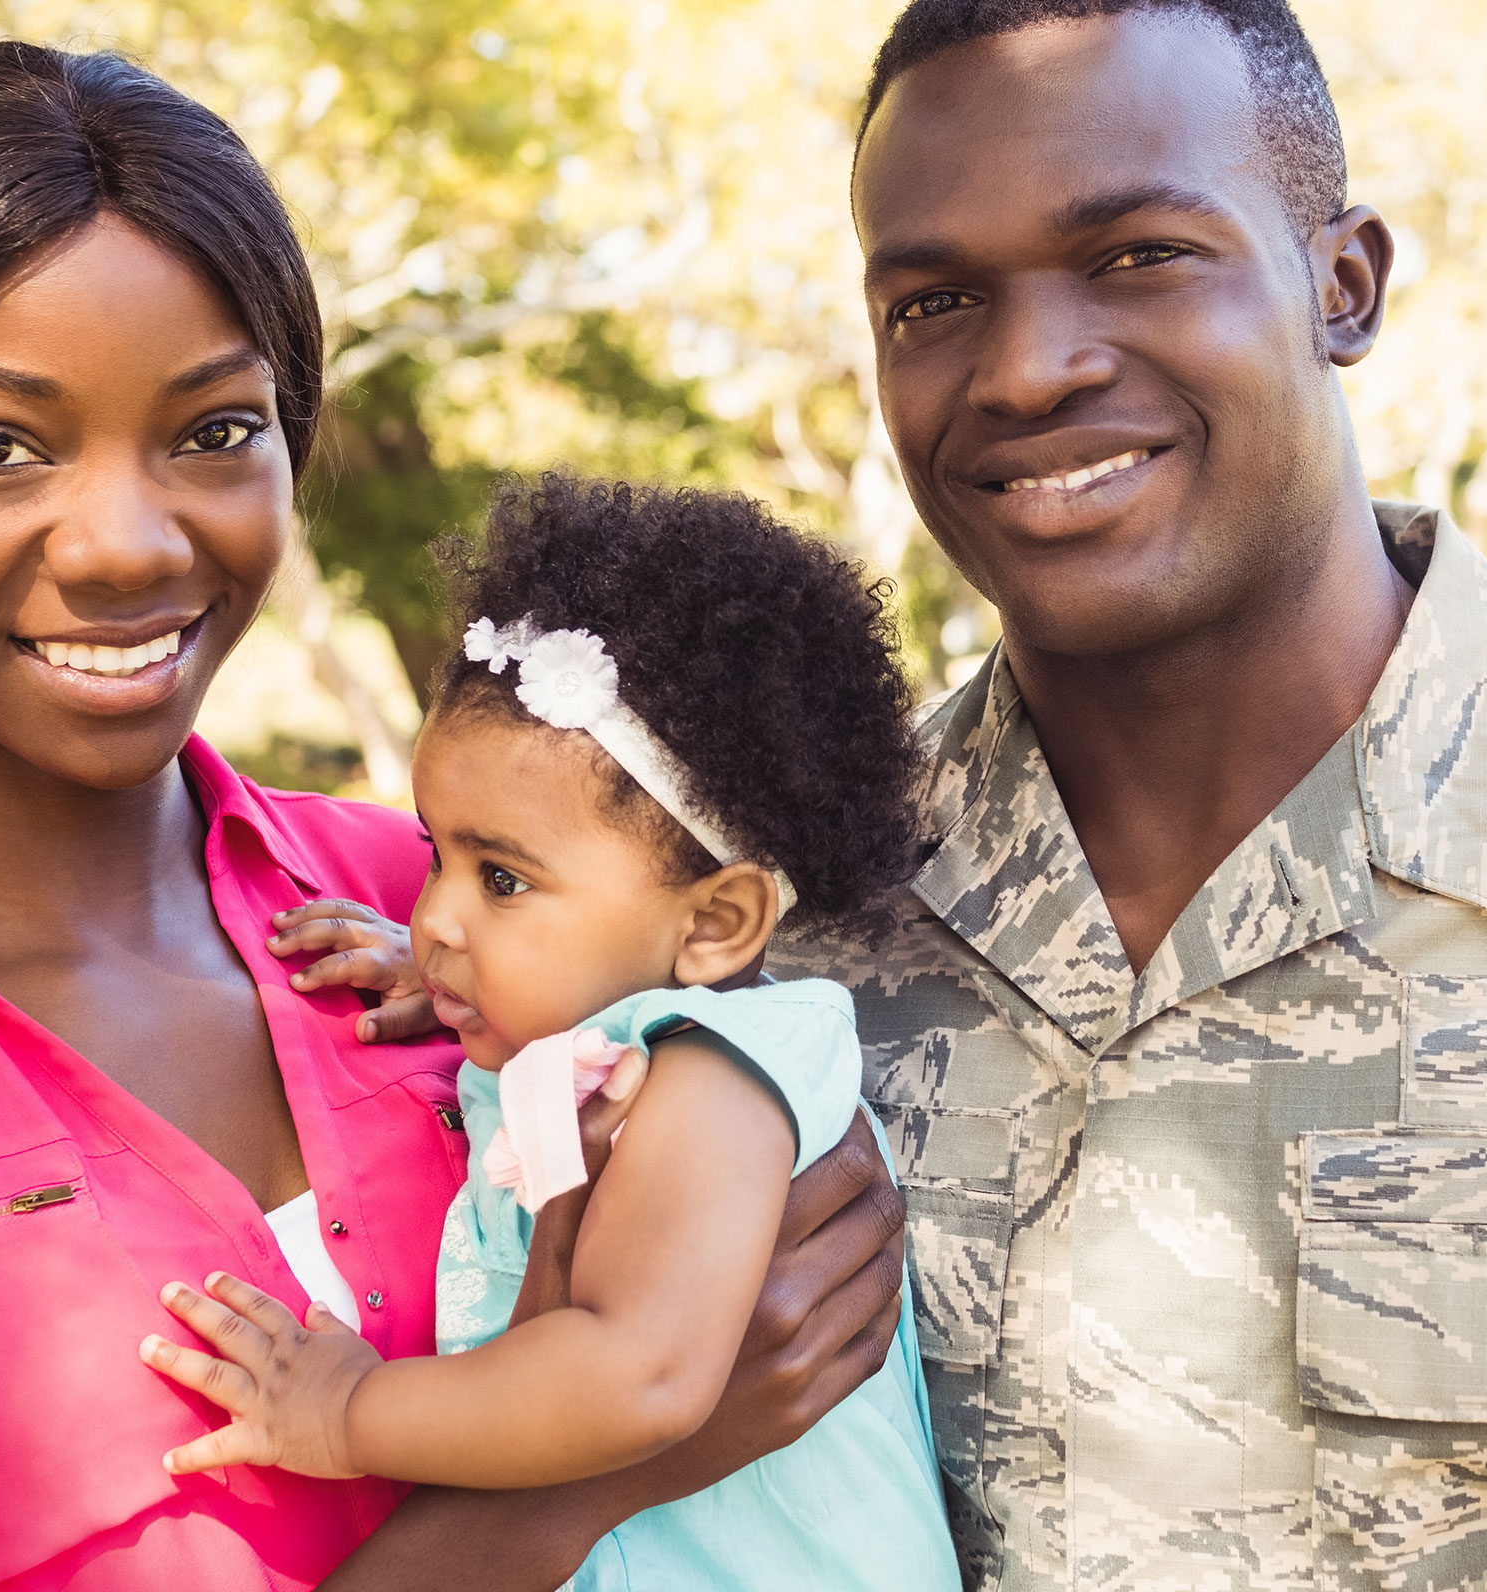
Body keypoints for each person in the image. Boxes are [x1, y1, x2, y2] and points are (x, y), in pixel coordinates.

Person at [0, 42, 905, 1592]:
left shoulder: (458, 911)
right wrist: (588, 1483)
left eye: (214, 429)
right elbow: (678, 1404)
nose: (126, 545)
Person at [766, 0, 1487, 1589]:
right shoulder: (781, 934)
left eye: (1138, 255)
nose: (1028, 368)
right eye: (934, 301)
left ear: (1344, 287)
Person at [140, 473, 960, 1591]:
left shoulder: (720, 1080)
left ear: (717, 922)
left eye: (505, 880)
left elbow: (640, 1375)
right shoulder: (627, 1036)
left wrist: (346, 1411)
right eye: (437, 854)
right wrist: (477, 976)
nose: (434, 916)